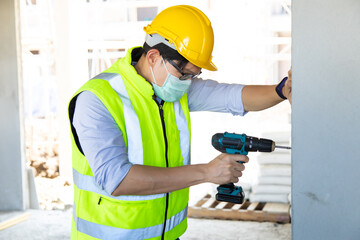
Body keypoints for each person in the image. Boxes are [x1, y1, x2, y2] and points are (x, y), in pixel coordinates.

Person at [68, 5, 292, 240]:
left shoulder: (169, 89)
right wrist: (207, 172)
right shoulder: (97, 99)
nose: (187, 83)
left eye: (193, 76)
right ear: (154, 57)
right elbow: (118, 179)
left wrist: (281, 90)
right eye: (184, 74)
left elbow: (232, 96)